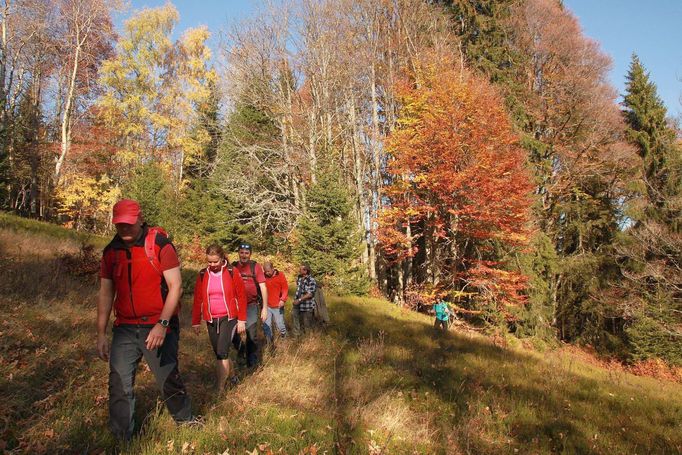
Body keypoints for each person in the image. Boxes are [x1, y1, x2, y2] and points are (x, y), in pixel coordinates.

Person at [96, 199, 195, 441]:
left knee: (167, 378)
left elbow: (176, 287)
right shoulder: (111, 252)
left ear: (140, 219)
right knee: (118, 383)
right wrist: (100, 333)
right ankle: (122, 437)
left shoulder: (160, 245)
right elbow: (106, 292)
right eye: (120, 225)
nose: (125, 229)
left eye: (129, 224)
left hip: (159, 325)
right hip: (125, 328)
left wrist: (161, 324)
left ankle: (185, 420)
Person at [191, 244, 248, 391]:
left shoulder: (231, 272)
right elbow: (198, 298)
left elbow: (241, 296)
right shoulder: (203, 274)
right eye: (209, 262)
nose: (212, 265)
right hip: (211, 319)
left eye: (215, 261)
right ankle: (233, 376)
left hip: (229, 318)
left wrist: (242, 319)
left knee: (222, 352)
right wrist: (196, 321)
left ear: (222, 258)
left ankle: (220, 389)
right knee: (219, 352)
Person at [231, 243, 268, 367]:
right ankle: (240, 351)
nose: (244, 255)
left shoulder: (255, 266)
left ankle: (251, 358)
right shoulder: (234, 267)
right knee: (233, 333)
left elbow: (263, 287)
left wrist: (265, 308)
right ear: (238, 253)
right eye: (241, 252)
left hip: (251, 305)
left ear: (250, 254)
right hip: (235, 306)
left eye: (246, 253)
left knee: (251, 333)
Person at [263, 261, 288, 342]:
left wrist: (283, 299)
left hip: (278, 305)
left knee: (280, 325)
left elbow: (285, 288)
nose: (267, 273)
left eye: (268, 271)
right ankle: (269, 342)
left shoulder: (280, 275)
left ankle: (284, 339)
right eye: (265, 271)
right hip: (267, 306)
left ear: (273, 269)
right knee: (266, 325)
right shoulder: (263, 276)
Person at [292, 264, 317, 336]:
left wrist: (299, 300)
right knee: (295, 319)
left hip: (306, 305)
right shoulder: (299, 278)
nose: (299, 270)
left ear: (306, 271)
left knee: (307, 325)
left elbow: (310, 294)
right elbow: (299, 290)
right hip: (297, 304)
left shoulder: (311, 280)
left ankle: (308, 340)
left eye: (301, 269)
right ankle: (296, 336)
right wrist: (295, 300)